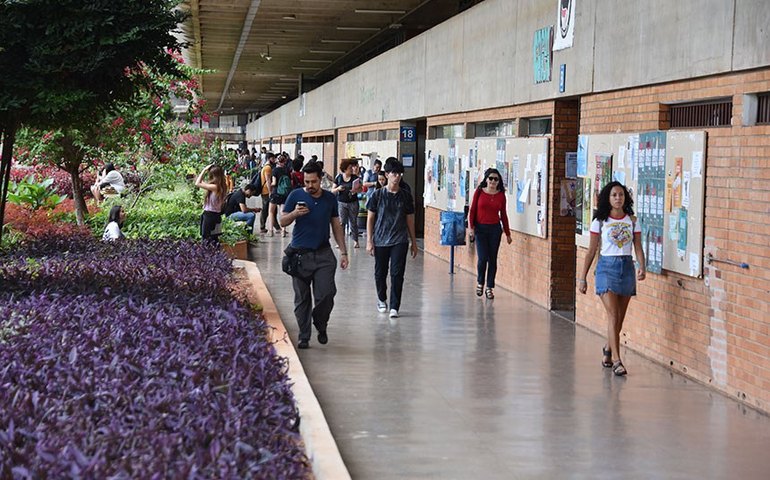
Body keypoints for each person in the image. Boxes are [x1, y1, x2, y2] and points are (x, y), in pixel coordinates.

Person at [578, 181, 646, 377]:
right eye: (614, 195)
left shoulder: (632, 221)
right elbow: (591, 250)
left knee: (619, 319)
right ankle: (617, 360)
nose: (618, 198)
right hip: (606, 268)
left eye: (621, 195)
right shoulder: (600, 221)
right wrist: (582, 278)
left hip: (626, 267)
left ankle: (608, 349)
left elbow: (638, 247)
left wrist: (642, 266)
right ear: (608, 198)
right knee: (613, 315)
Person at [281, 161, 349, 349]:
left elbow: (336, 225)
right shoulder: (295, 195)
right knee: (302, 299)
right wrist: (295, 213)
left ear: (321, 180)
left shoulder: (329, 199)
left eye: (313, 182)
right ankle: (304, 335)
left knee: (326, 294)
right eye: (307, 182)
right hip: (299, 255)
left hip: (323, 254)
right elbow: (282, 221)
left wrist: (343, 252)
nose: (309, 186)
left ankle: (320, 322)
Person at [366, 160, 417, 319]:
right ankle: (382, 299)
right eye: (394, 173)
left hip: (399, 240)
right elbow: (370, 219)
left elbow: (409, 219)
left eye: (400, 174)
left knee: (397, 273)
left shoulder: (405, 196)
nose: (397, 176)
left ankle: (395, 306)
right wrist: (369, 240)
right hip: (380, 239)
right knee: (380, 273)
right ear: (387, 174)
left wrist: (413, 242)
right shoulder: (377, 195)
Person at [468, 168, 512, 300]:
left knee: (492, 259)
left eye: (496, 179)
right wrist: (471, 228)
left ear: (499, 181)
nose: (493, 181)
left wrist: (508, 233)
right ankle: (480, 282)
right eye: (491, 178)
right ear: (486, 179)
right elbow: (472, 210)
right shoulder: (479, 192)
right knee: (483, 258)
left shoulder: (501, 195)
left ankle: (489, 287)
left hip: (495, 230)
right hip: (480, 229)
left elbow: (503, 215)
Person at [333, 158, 362, 248]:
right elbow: (332, 190)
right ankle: (340, 241)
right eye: (350, 168)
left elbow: (361, 189)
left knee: (353, 222)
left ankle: (355, 240)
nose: (352, 169)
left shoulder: (355, 178)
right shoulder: (339, 178)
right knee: (342, 222)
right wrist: (338, 189)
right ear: (345, 169)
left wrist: (356, 190)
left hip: (353, 202)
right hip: (341, 202)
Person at [195, 164, 227, 241]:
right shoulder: (222, 186)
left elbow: (197, 183)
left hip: (209, 216)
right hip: (216, 216)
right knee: (214, 239)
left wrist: (204, 170)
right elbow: (202, 183)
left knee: (206, 239)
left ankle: (207, 253)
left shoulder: (215, 187)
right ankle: (215, 253)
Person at [269, 155, 292, 237]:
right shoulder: (287, 170)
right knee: (282, 212)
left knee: (271, 212)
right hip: (285, 194)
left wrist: (270, 185)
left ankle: (271, 231)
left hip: (276, 193)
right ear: (284, 161)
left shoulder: (275, 170)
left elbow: (274, 183)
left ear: (277, 161)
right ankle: (283, 231)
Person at [253, 152, 276, 233]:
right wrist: (270, 192)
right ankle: (262, 227)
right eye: (273, 158)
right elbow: (268, 181)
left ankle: (276, 227)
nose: (274, 160)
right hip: (266, 192)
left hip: (265, 191)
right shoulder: (268, 168)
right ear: (270, 158)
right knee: (266, 210)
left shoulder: (265, 167)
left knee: (272, 210)